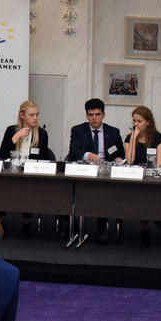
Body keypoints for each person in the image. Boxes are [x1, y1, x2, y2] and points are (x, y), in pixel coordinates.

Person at [68, 98, 126, 245]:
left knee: (103, 194)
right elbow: (73, 151)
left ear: (103, 115)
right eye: (91, 115)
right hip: (84, 171)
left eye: (97, 114)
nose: (94, 118)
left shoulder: (113, 132)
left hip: (105, 173)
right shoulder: (78, 130)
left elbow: (121, 153)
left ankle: (102, 228)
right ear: (87, 116)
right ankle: (75, 225)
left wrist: (119, 159)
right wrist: (88, 155)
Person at [0, 101, 56, 238]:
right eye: (31, 115)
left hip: (30, 172)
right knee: (0, 186)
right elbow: (3, 154)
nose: (35, 118)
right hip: (11, 171)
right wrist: (16, 137)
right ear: (22, 115)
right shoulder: (11, 130)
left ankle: (27, 223)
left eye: (37, 115)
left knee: (28, 188)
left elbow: (42, 157)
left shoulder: (41, 133)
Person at [124, 105, 161, 248]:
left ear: (148, 122)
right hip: (136, 179)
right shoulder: (129, 138)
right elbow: (129, 160)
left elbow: (160, 163)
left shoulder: (158, 137)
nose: (136, 124)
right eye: (134, 121)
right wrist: (133, 139)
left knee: (149, 195)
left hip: (152, 177)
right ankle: (145, 229)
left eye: (139, 121)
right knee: (142, 196)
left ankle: (156, 217)